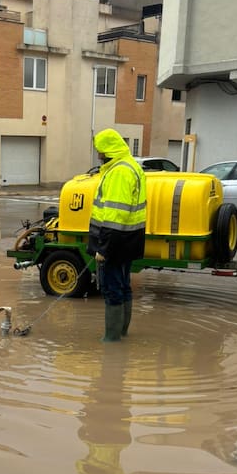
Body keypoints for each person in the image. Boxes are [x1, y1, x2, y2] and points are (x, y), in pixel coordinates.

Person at [87, 129, 146, 342]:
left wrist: (104, 248)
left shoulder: (119, 172)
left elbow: (115, 214)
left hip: (116, 241)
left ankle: (111, 339)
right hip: (129, 240)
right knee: (123, 286)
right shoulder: (131, 166)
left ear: (108, 150)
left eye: (99, 151)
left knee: (113, 289)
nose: (98, 155)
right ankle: (121, 333)